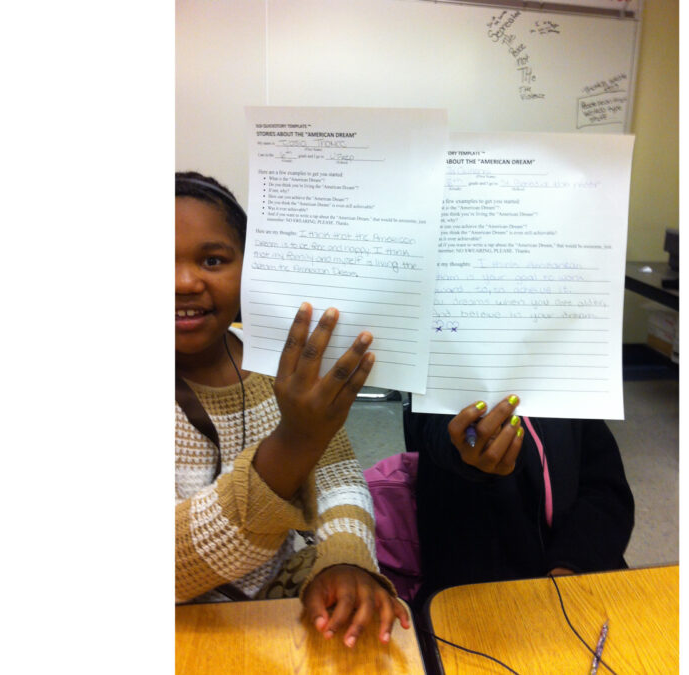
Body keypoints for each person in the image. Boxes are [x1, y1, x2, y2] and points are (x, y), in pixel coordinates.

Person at [174, 171, 409, 648]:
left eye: (214, 259)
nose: (184, 282)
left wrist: (344, 558)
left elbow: (338, 475)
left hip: (283, 603)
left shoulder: (273, 368)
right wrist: (295, 441)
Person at [405, 394, 635, 610]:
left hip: (585, 585)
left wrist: (572, 566)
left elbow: (606, 490)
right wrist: (465, 447)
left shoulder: (571, 389)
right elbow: (430, 427)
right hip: (476, 600)